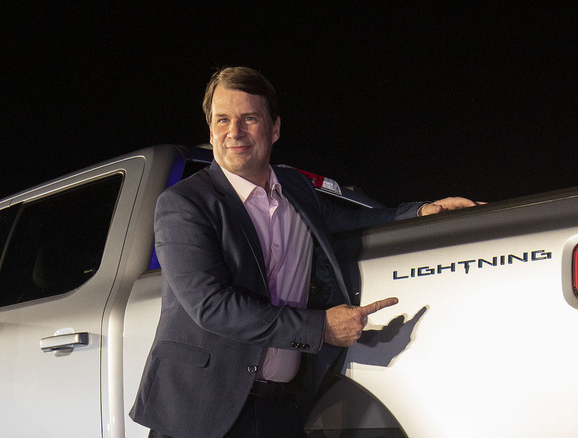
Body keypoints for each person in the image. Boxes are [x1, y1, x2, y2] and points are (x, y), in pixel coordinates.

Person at [130, 66, 479, 438]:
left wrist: (422, 211)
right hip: (200, 411)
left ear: (275, 128)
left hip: (281, 407)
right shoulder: (184, 204)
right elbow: (211, 306)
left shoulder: (294, 188)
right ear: (210, 129)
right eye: (222, 120)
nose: (234, 132)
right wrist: (320, 328)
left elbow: (348, 221)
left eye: (250, 118)